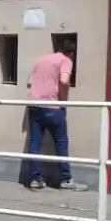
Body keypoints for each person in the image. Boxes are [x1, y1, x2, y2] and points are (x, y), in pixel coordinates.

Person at [18, 39, 88, 192]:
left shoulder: (41, 59)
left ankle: (35, 179)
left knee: (35, 142)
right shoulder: (66, 60)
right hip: (52, 106)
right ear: (71, 53)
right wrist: (63, 102)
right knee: (61, 142)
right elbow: (64, 81)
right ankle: (66, 179)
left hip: (34, 105)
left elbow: (30, 82)